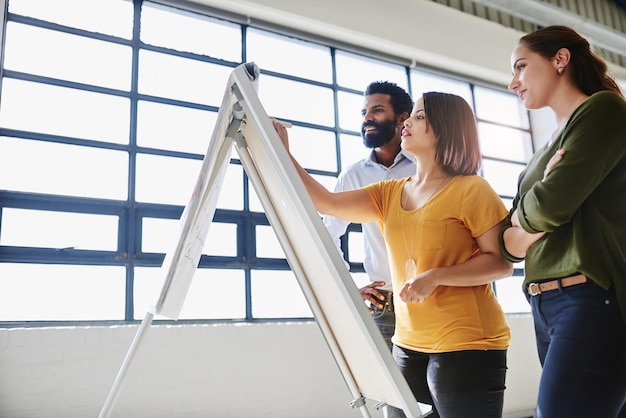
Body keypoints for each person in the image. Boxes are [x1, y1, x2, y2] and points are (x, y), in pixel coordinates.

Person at [273, 91, 512, 418]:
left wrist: (437, 276)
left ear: (446, 127)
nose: (407, 122)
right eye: (410, 115)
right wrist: (284, 154)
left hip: (466, 342)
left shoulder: (472, 189)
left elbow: (500, 262)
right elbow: (325, 202)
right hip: (408, 343)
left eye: (419, 116)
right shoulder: (389, 193)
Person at [499, 25, 626, 418]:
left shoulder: (603, 109)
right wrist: (532, 214)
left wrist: (528, 218)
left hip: (589, 297)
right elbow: (505, 244)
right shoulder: (545, 152)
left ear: (560, 59)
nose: (512, 82)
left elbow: (548, 209)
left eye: (521, 67)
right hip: (544, 304)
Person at [323, 81, 414, 418]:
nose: (367, 118)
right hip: (386, 308)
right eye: (364, 112)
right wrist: (351, 286)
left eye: (377, 110)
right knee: (395, 404)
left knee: (436, 398)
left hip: (434, 301)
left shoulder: (427, 167)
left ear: (403, 117)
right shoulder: (354, 175)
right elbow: (327, 233)